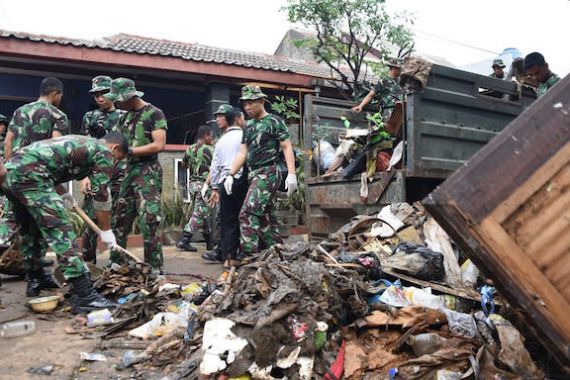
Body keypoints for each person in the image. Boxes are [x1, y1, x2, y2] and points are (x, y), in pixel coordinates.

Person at [0, 133, 127, 311]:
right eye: (117, 159)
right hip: (31, 177)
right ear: (115, 148)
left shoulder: (81, 142)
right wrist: (106, 231)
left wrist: (64, 194)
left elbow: (50, 167)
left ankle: (35, 277)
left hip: (11, 173)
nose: (114, 164)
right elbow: (101, 195)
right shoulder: (104, 152)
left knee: (31, 228)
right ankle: (84, 295)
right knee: (60, 228)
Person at [224, 86, 297, 259]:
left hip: (269, 172)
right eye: (245, 104)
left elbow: (286, 147)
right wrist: (230, 174)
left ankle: (248, 256)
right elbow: (242, 152)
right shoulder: (247, 126)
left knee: (247, 213)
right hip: (254, 175)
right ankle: (279, 255)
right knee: (265, 219)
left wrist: (292, 174)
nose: (247, 107)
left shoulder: (274, 121)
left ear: (262, 101)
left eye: (251, 103)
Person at [0, 77, 69, 256]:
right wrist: (55, 180)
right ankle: (36, 270)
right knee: (42, 222)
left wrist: (9, 170)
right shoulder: (57, 115)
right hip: (38, 177)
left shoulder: (19, 111)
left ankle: (4, 244)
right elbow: (56, 149)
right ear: (55, 93)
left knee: (11, 219)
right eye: (60, 95)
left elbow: (8, 143)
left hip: (14, 174)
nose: (60, 99)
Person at [104, 78, 167, 269]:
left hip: (148, 173)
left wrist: (129, 152)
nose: (116, 103)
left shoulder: (154, 113)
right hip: (128, 173)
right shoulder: (124, 118)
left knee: (149, 221)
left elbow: (159, 144)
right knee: (120, 220)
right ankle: (116, 263)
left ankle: (154, 268)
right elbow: (115, 144)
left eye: (119, 99)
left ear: (129, 96)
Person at [80, 75, 126, 264]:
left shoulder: (125, 117)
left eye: (104, 93)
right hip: (96, 177)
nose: (100, 98)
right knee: (91, 223)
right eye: (96, 94)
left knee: (118, 223)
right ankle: (88, 265)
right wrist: (84, 177)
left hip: (120, 178)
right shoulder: (90, 118)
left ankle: (116, 265)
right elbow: (83, 149)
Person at [202, 105, 248, 267]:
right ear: (237, 119)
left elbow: (215, 166)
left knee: (228, 220)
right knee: (246, 218)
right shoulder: (244, 135)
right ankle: (246, 253)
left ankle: (228, 258)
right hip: (241, 179)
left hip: (224, 182)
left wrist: (214, 187)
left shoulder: (221, 141)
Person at [176, 125, 215, 252]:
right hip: (204, 184)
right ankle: (185, 238)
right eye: (211, 135)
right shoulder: (211, 149)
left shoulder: (190, 149)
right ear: (206, 136)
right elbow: (216, 165)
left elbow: (183, 164)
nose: (212, 137)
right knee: (200, 212)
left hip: (192, 184)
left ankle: (210, 242)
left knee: (202, 212)